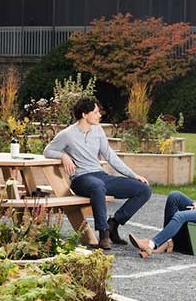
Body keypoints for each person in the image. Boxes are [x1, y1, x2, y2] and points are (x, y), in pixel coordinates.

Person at [43, 96, 151, 250]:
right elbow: (48, 150)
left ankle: (113, 224)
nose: (99, 115)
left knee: (144, 189)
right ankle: (104, 234)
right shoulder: (68, 134)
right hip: (81, 179)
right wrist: (63, 155)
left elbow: (110, 156)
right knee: (97, 186)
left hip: (100, 176)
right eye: (95, 112)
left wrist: (133, 175)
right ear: (84, 115)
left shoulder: (98, 131)